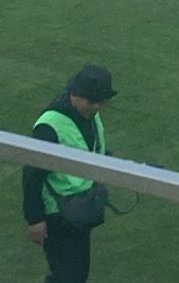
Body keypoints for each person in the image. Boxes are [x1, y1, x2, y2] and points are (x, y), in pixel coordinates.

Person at [22, 64, 117, 283]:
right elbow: (31, 175)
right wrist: (35, 219)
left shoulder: (88, 114)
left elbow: (89, 149)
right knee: (68, 277)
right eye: (93, 101)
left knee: (76, 275)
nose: (97, 106)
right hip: (57, 215)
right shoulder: (50, 126)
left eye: (101, 101)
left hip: (79, 211)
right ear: (76, 94)